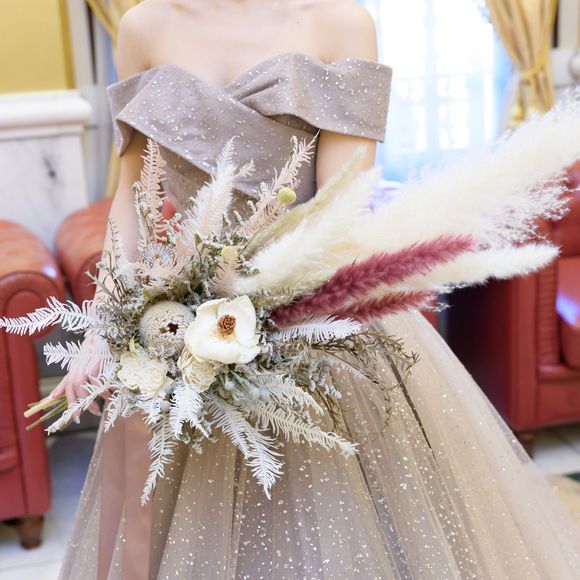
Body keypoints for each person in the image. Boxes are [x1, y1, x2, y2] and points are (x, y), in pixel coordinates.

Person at [57, 1, 580, 578]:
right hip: (182, 322)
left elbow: (339, 211)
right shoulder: (141, 27)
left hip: (315, 313)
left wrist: (254, 310)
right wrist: (104, 325)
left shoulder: (340, 22)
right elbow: (134, 192)